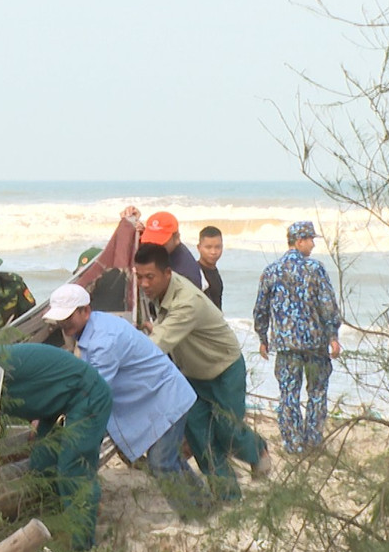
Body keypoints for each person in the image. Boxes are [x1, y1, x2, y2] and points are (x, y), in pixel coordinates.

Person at [43, 285, 212, 518]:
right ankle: (202, 504)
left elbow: (94, 392)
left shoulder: (104, 340)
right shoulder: (94, 327)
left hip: (164, 397)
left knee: (161, 463)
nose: (64, 324)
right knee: (169, 460)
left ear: (86, 311)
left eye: (68, 317)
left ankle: (192, 515)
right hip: (150, 398)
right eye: (60, 319)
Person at [134, 244, 269, 500]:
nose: (143, 284)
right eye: (139, 277)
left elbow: (155, 349)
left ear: (167, 273)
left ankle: (257, 449)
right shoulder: (159, 291)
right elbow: (163, 329)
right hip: (191, 374)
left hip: (223, 368)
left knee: (228, 431)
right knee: (199, 438)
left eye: (149, 277)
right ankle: (227, 495)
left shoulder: (187, 302)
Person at [0, 343, 112, 552]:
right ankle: (54, 527)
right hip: (57, 404)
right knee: (42, 465)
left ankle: (82, 547)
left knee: (73, 471)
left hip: (87, 395)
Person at [254, 221, 343, 454]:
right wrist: (333, 336)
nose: (313, 244)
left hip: (286, 346)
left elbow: (261, 308)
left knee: (288, 395)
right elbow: (328, 306)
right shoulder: (316, 268)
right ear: (299, 241)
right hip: (315, 344)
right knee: (317, 392)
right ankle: (313, 442)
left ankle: (293, 444)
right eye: (310, 240)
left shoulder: (272, 270)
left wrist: (263, 337)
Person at [123, 208, 203, 289]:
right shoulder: (161, 251)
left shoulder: (185, 274)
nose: (154, 247)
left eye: (161, 242)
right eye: (151, 239)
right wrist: (130, 221)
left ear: (177, 238)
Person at [196, 226, 225, 310]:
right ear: (199, 248)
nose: (213, 252)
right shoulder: (195, 273)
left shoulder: (215, 272)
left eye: (217, 247)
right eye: (208, 247)